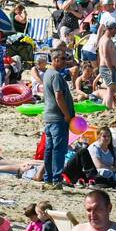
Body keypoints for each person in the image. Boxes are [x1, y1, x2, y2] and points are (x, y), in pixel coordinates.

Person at [43, 48, 73, 185]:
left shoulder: (48, 73)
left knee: (50, 149)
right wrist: (67, 114)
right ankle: (56, 179)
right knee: (58, 150)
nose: (65, 62)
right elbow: (59, 96)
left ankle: (48, 177)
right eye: (62, 59)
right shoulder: (55, 75)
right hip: (57, 118)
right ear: (55, 60)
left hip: (49, 117)